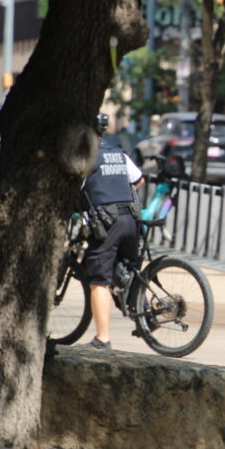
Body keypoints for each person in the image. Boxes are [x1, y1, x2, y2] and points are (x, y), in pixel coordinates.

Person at [80, 113, 145, 349]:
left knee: (99, 280)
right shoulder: (117, 152)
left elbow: (75, 189)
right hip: (130, 218)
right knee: (127, 269)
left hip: (108, 223)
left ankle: (102, 338)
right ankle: (149, 313)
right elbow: (138, 179)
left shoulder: (86, 156)